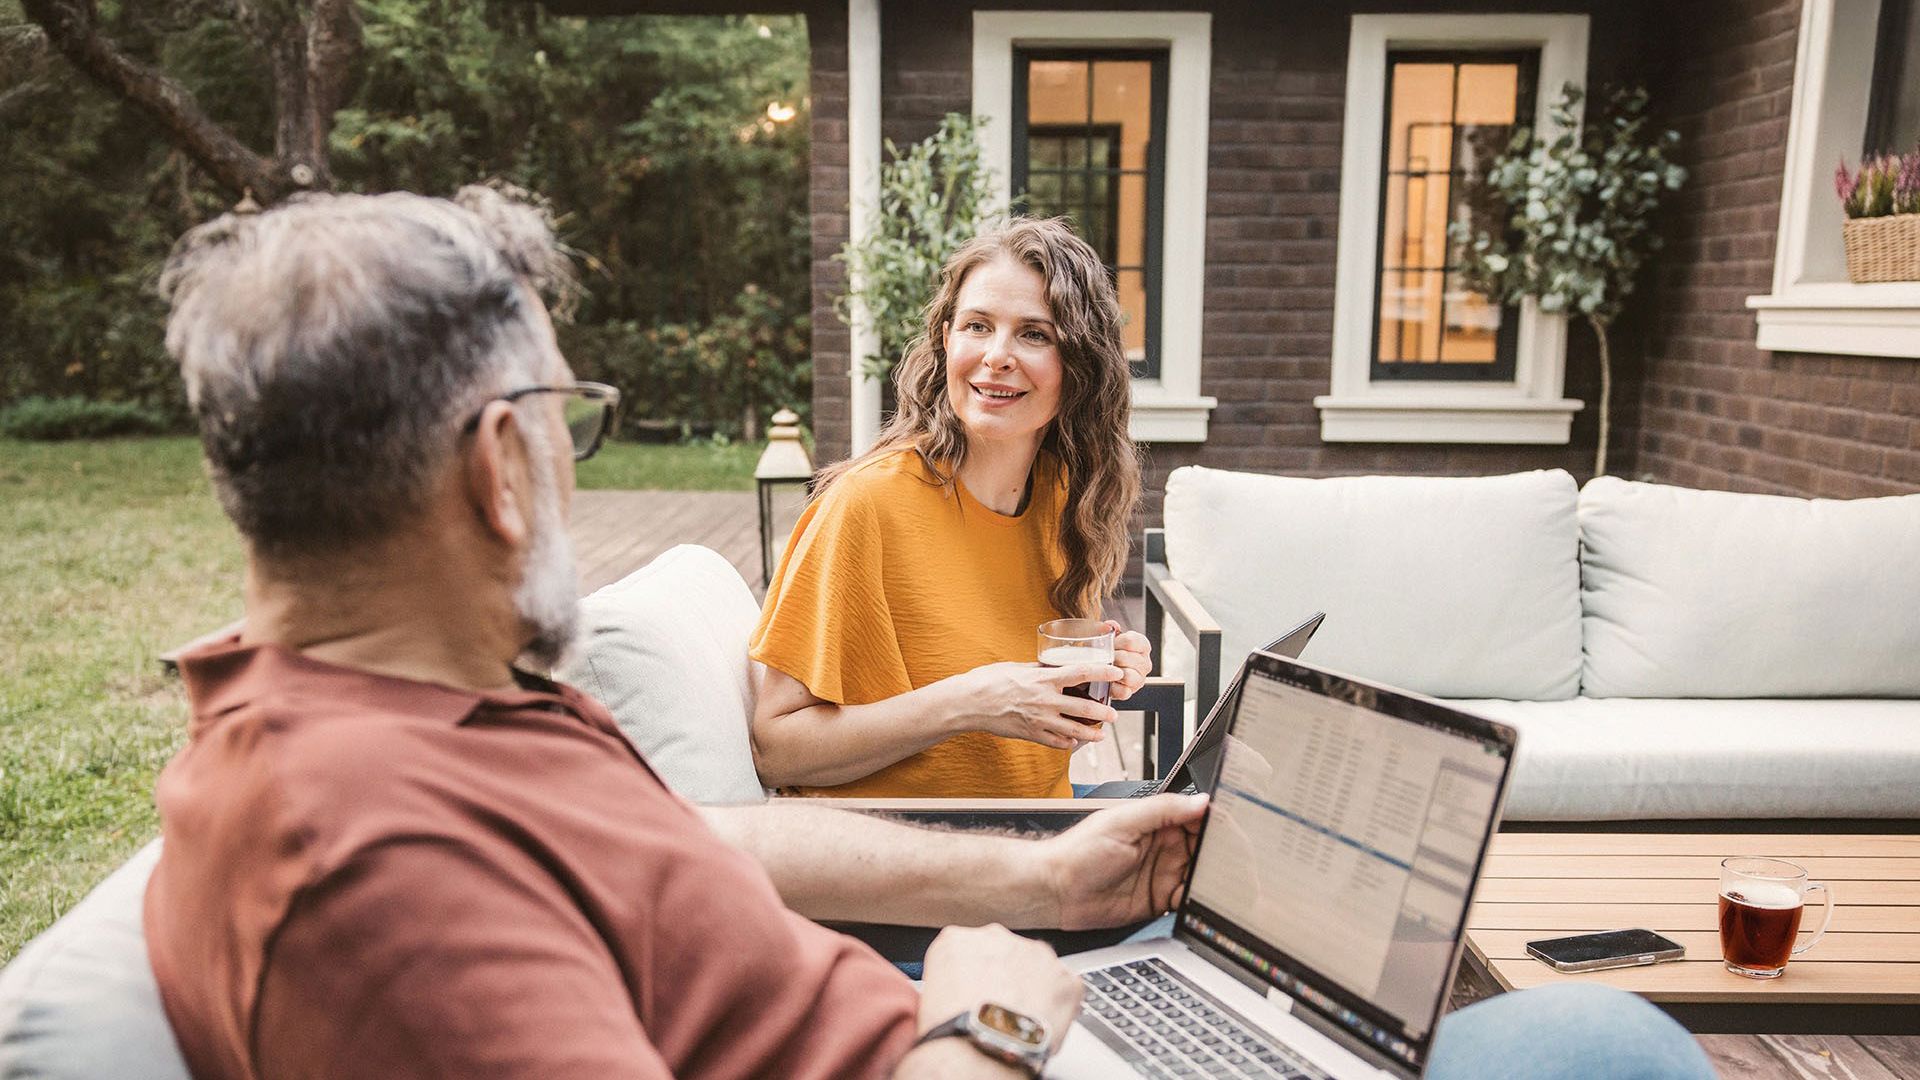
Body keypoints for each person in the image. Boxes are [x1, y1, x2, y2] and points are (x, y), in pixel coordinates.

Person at [145, 187, 1716, 1080]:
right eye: (571, 423)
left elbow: (707, 846)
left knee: (1425, 998)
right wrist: (997, 1002)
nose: (573, 467)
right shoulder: (366, 864)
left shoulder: (440, 722)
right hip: (970, 1038)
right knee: (1609, 1053)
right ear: (499, 467)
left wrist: (1040, 878)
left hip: (985, 980)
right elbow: (774, 784)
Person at [750, 219, 1149, 798]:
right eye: (977, 326)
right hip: (920, 853)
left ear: (1080, 366)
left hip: (1041, 828)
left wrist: (1100, 670)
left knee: (1217, 824)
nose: (996, 356)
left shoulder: (1063, 497)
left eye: (1035, 334)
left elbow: (1022, 689)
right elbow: (776, 751)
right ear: (945, 341)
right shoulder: (867, 505)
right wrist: (969, 702)